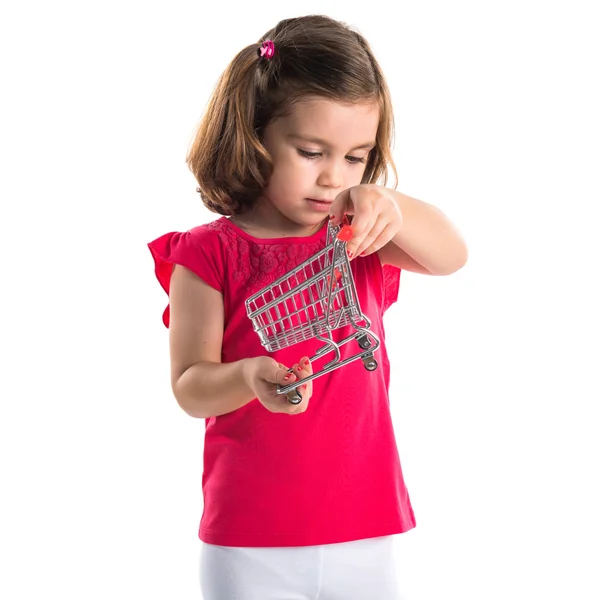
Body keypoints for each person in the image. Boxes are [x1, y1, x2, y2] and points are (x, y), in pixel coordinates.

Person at [147, 14, 467, 600]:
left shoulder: (356, 238)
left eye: (355, 158)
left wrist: (389, 202)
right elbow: (190, 386)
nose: (333, 177)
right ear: (255, 134)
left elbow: (451, 254)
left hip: (365, 523)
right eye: (312, 151)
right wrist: (247, 374)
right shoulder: (207, 254)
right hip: (249, 535)